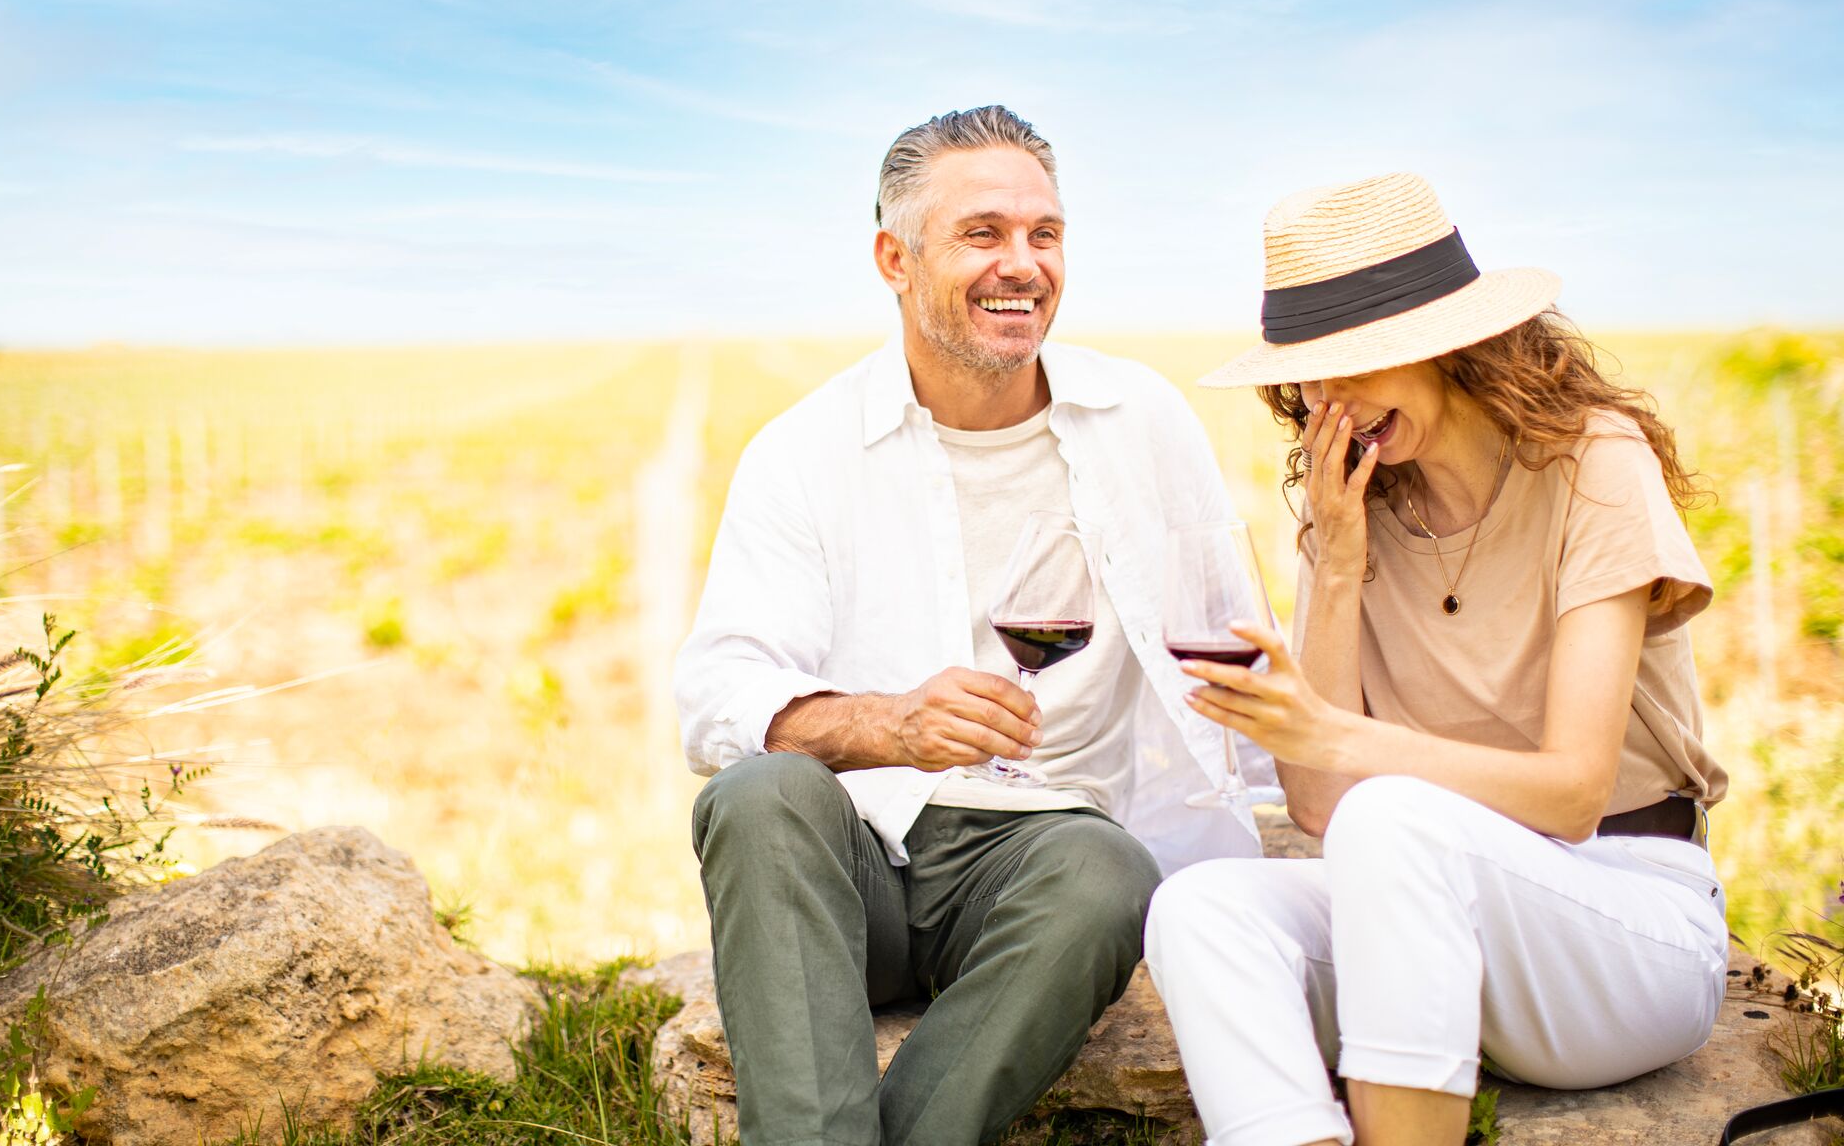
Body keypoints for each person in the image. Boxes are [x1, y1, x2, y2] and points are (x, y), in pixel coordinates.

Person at [673, 105, 1267, 1145]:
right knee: (759, 791)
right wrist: (888, 725)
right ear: (894, 259)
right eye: (983, 233)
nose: (1023, 264)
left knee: (1107, 868)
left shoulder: (1143, 421)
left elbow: (1228, 638)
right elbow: (716, 695)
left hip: (1042, 858)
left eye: (1045, 233)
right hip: (855, 867)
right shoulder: (803, 451)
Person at [1143, 172, 1730, 1146]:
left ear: (1446, 345)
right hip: (1428, 910)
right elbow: (1323, 807)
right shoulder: (1358, 507)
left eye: (1352, 365)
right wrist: (1334, 566)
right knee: (1201, 909)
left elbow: (1576, 789)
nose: (1327, 401)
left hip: (1628, 921)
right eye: (1309, 375)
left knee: (1394, 815)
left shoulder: (1595, 462)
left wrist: (1336, 732)